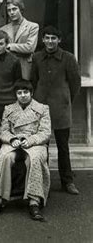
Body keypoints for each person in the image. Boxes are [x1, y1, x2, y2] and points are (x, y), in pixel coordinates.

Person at [0, 79, 51, 222]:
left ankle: (34, 202)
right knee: (4, 156)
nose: (22, 95)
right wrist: (11, 139)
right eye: (19, 93)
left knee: (34, 159)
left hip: (35, 142)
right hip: (14, 141)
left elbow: (45, 132)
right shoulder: (9, 109)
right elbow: (3, 131)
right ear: (16, 94)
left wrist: (31, 140)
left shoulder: (42, 108)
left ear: (31, 93)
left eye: (25, 92)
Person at [31, 26, 81, 195]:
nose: (50, 41)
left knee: (63, 147)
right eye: (47, 38)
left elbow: (75, 84)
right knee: (41, 147)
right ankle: (42, 182)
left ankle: (67, 181)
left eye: (54, 38)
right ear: (43, 40)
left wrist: (66, 100)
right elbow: (33, 81)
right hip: (41, 108)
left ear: (59, 40)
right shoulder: (37, 58)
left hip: (61, 109)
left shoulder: (68, 58)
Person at [0, 0, 39, 79]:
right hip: (8, 67)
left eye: (14, 9)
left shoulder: (32, 26)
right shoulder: (3, 29)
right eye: (9, 10)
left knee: (24, 90)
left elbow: (30, 47)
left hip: (25, 67)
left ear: (21, 9)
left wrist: (10, 46)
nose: (11, 12)